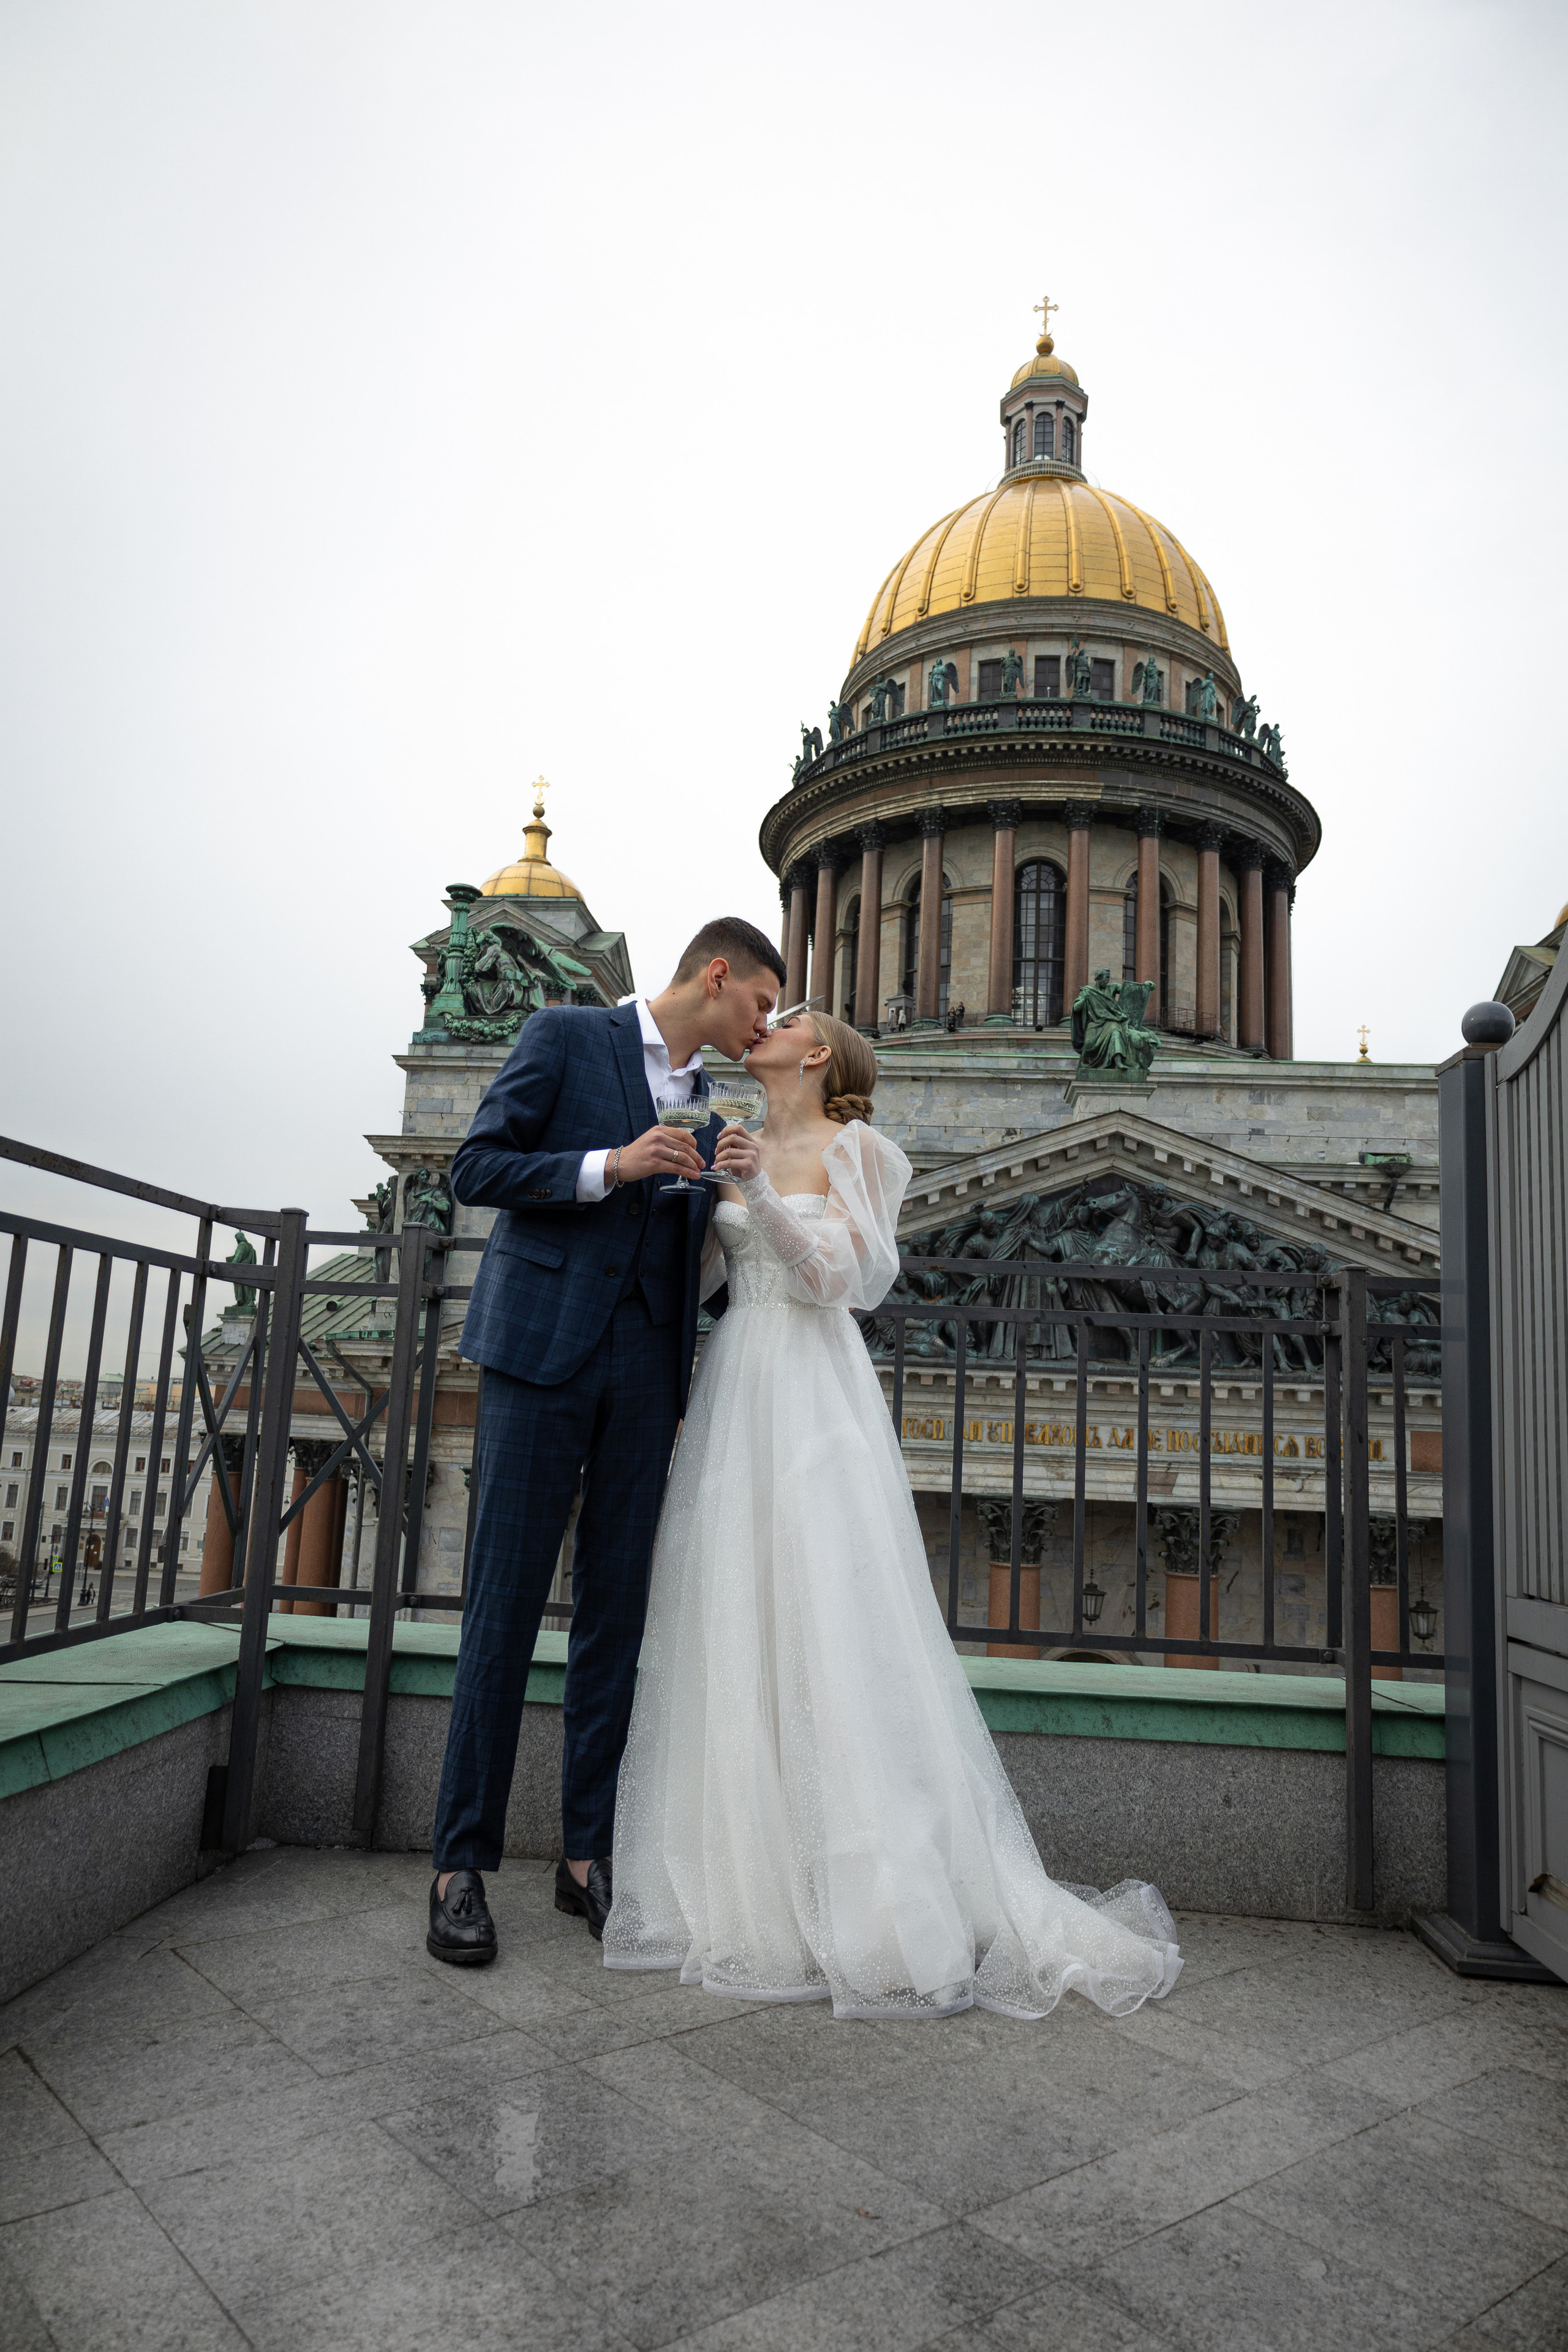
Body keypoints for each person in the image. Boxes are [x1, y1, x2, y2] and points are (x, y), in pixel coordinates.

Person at [604, 1010, 1183, 2020]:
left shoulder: (860, 1147)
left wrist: (746, 1190)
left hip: (815, 1397)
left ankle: (875, 1902)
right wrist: (690, 1192)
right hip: (739, 1384)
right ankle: (756, 1888)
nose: (760, 1027)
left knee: (834, 1624)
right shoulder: (731, 1134)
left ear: (820, 1053)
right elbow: (708, 1283)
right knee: (739, 1622)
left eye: (781, 1021)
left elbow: (849, 1282)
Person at [424, 916, 785, 1966]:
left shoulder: (713, 1112)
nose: (765, 1022)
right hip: (537, 1357)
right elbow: (476, 1168)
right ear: (716, 977)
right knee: (502, 1612)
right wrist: (609, 1166)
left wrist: (737, 1201)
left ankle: (587, 1857)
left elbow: (700, 1265)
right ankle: (459, 1867)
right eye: (761, 1001)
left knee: (615, 1622)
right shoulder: (565, 1035)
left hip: (643, 1375)